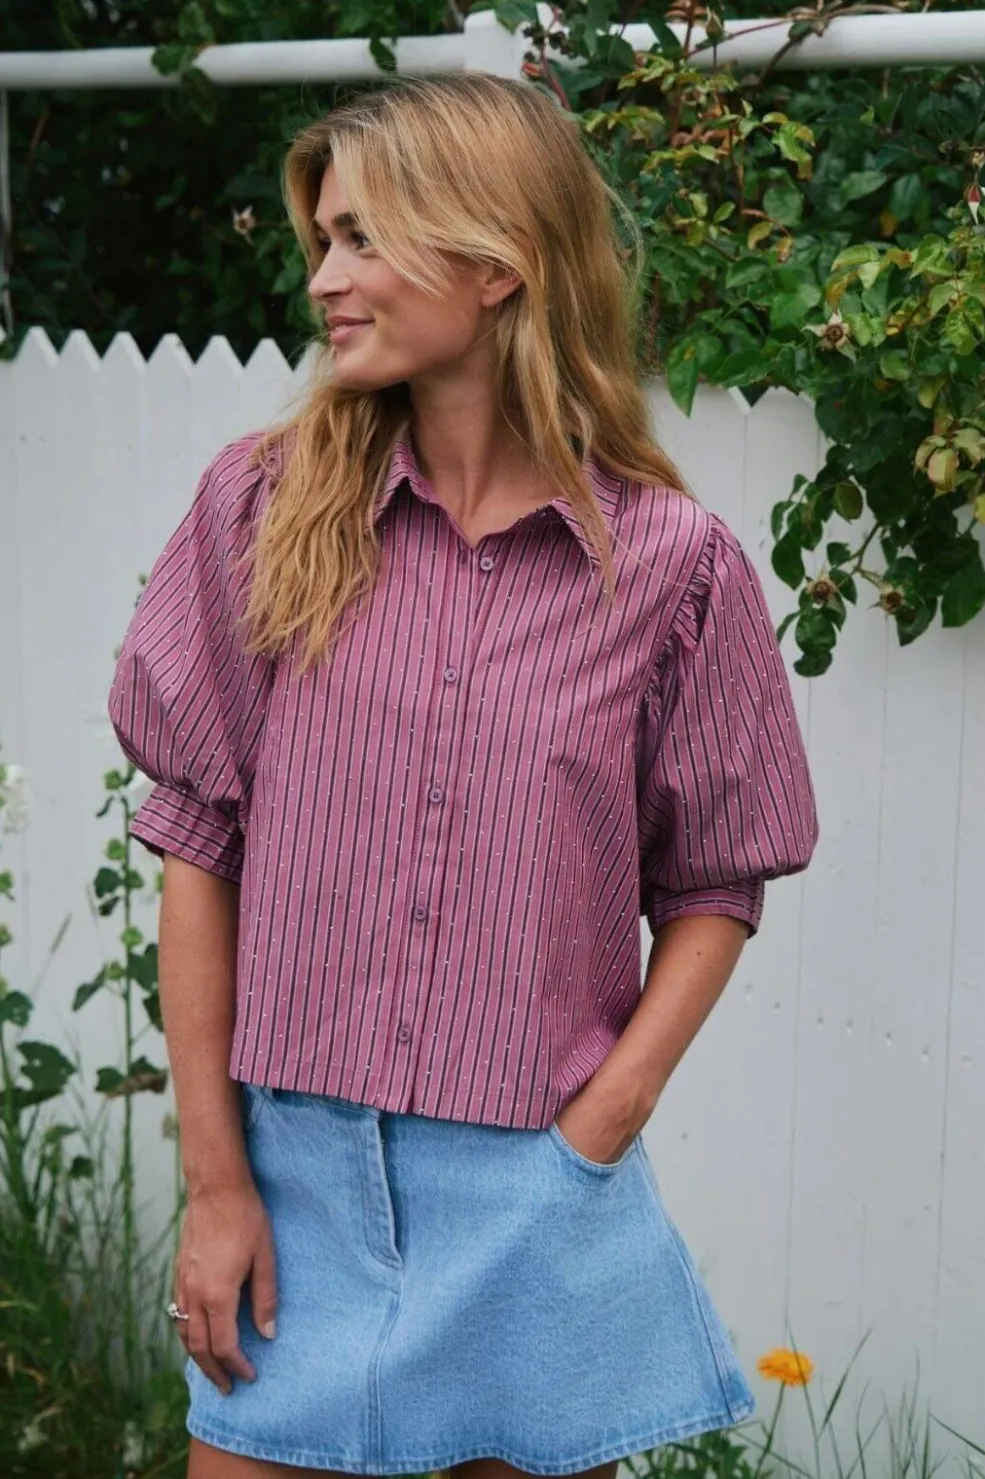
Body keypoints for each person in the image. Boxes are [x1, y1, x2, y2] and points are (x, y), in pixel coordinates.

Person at [108, 71, 819, 1479]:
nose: (325, 278)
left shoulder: (671, 569)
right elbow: (198, 840)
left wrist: (598, 1129)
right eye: (323, 241)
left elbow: (716, 879)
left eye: (362, 238)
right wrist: (217, 1180)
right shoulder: (260, 510)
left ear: (498, 264)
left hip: (530, 1192)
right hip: (293, 1188)